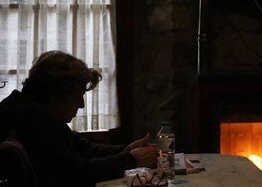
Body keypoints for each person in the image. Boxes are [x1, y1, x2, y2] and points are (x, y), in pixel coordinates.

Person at [0, 51, 159, 187]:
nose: (82, 105)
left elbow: (82, 147)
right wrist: (131, 160)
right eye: (77, 97)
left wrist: (126, 150)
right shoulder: (27, 121)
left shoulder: (41, 110)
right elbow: (75, 173)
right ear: (55, 96)